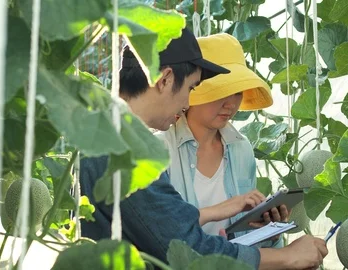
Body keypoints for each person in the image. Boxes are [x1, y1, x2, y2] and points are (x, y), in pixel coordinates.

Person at [80, 28, 328, 270]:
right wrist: (286, 257)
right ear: (165, 80)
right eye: (190, 88)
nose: (188, 102)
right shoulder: (127, 151)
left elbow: (165, 228)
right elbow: (187, 251)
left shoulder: (101, 134)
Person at [154, 33, 285, 248]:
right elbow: (157, 232)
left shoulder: (242, 150)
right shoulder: (160, 150)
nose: (231, 104)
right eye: (221, 92)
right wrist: (221, 209)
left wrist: (269, 231)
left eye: (237, 92)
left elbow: (245, 240)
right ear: (193, 89)